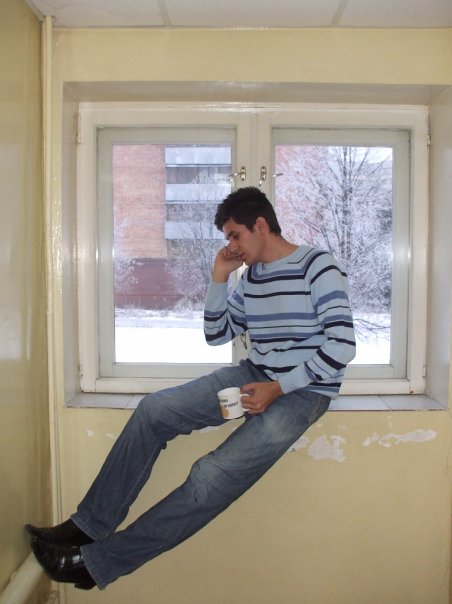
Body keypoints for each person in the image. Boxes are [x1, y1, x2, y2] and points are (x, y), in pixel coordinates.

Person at [27, 186, 356, 590]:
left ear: (260, 225)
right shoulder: (253, 277)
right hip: (254, 374)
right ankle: (88, 527)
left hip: (304, 392)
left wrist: (279, 388)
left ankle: (94, 566)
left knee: (210, 476)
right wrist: (219, 277)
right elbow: (216, 334)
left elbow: (342, 345)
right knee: (153, 412)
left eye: (235, 235)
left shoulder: (317, 266)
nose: (231, 245)